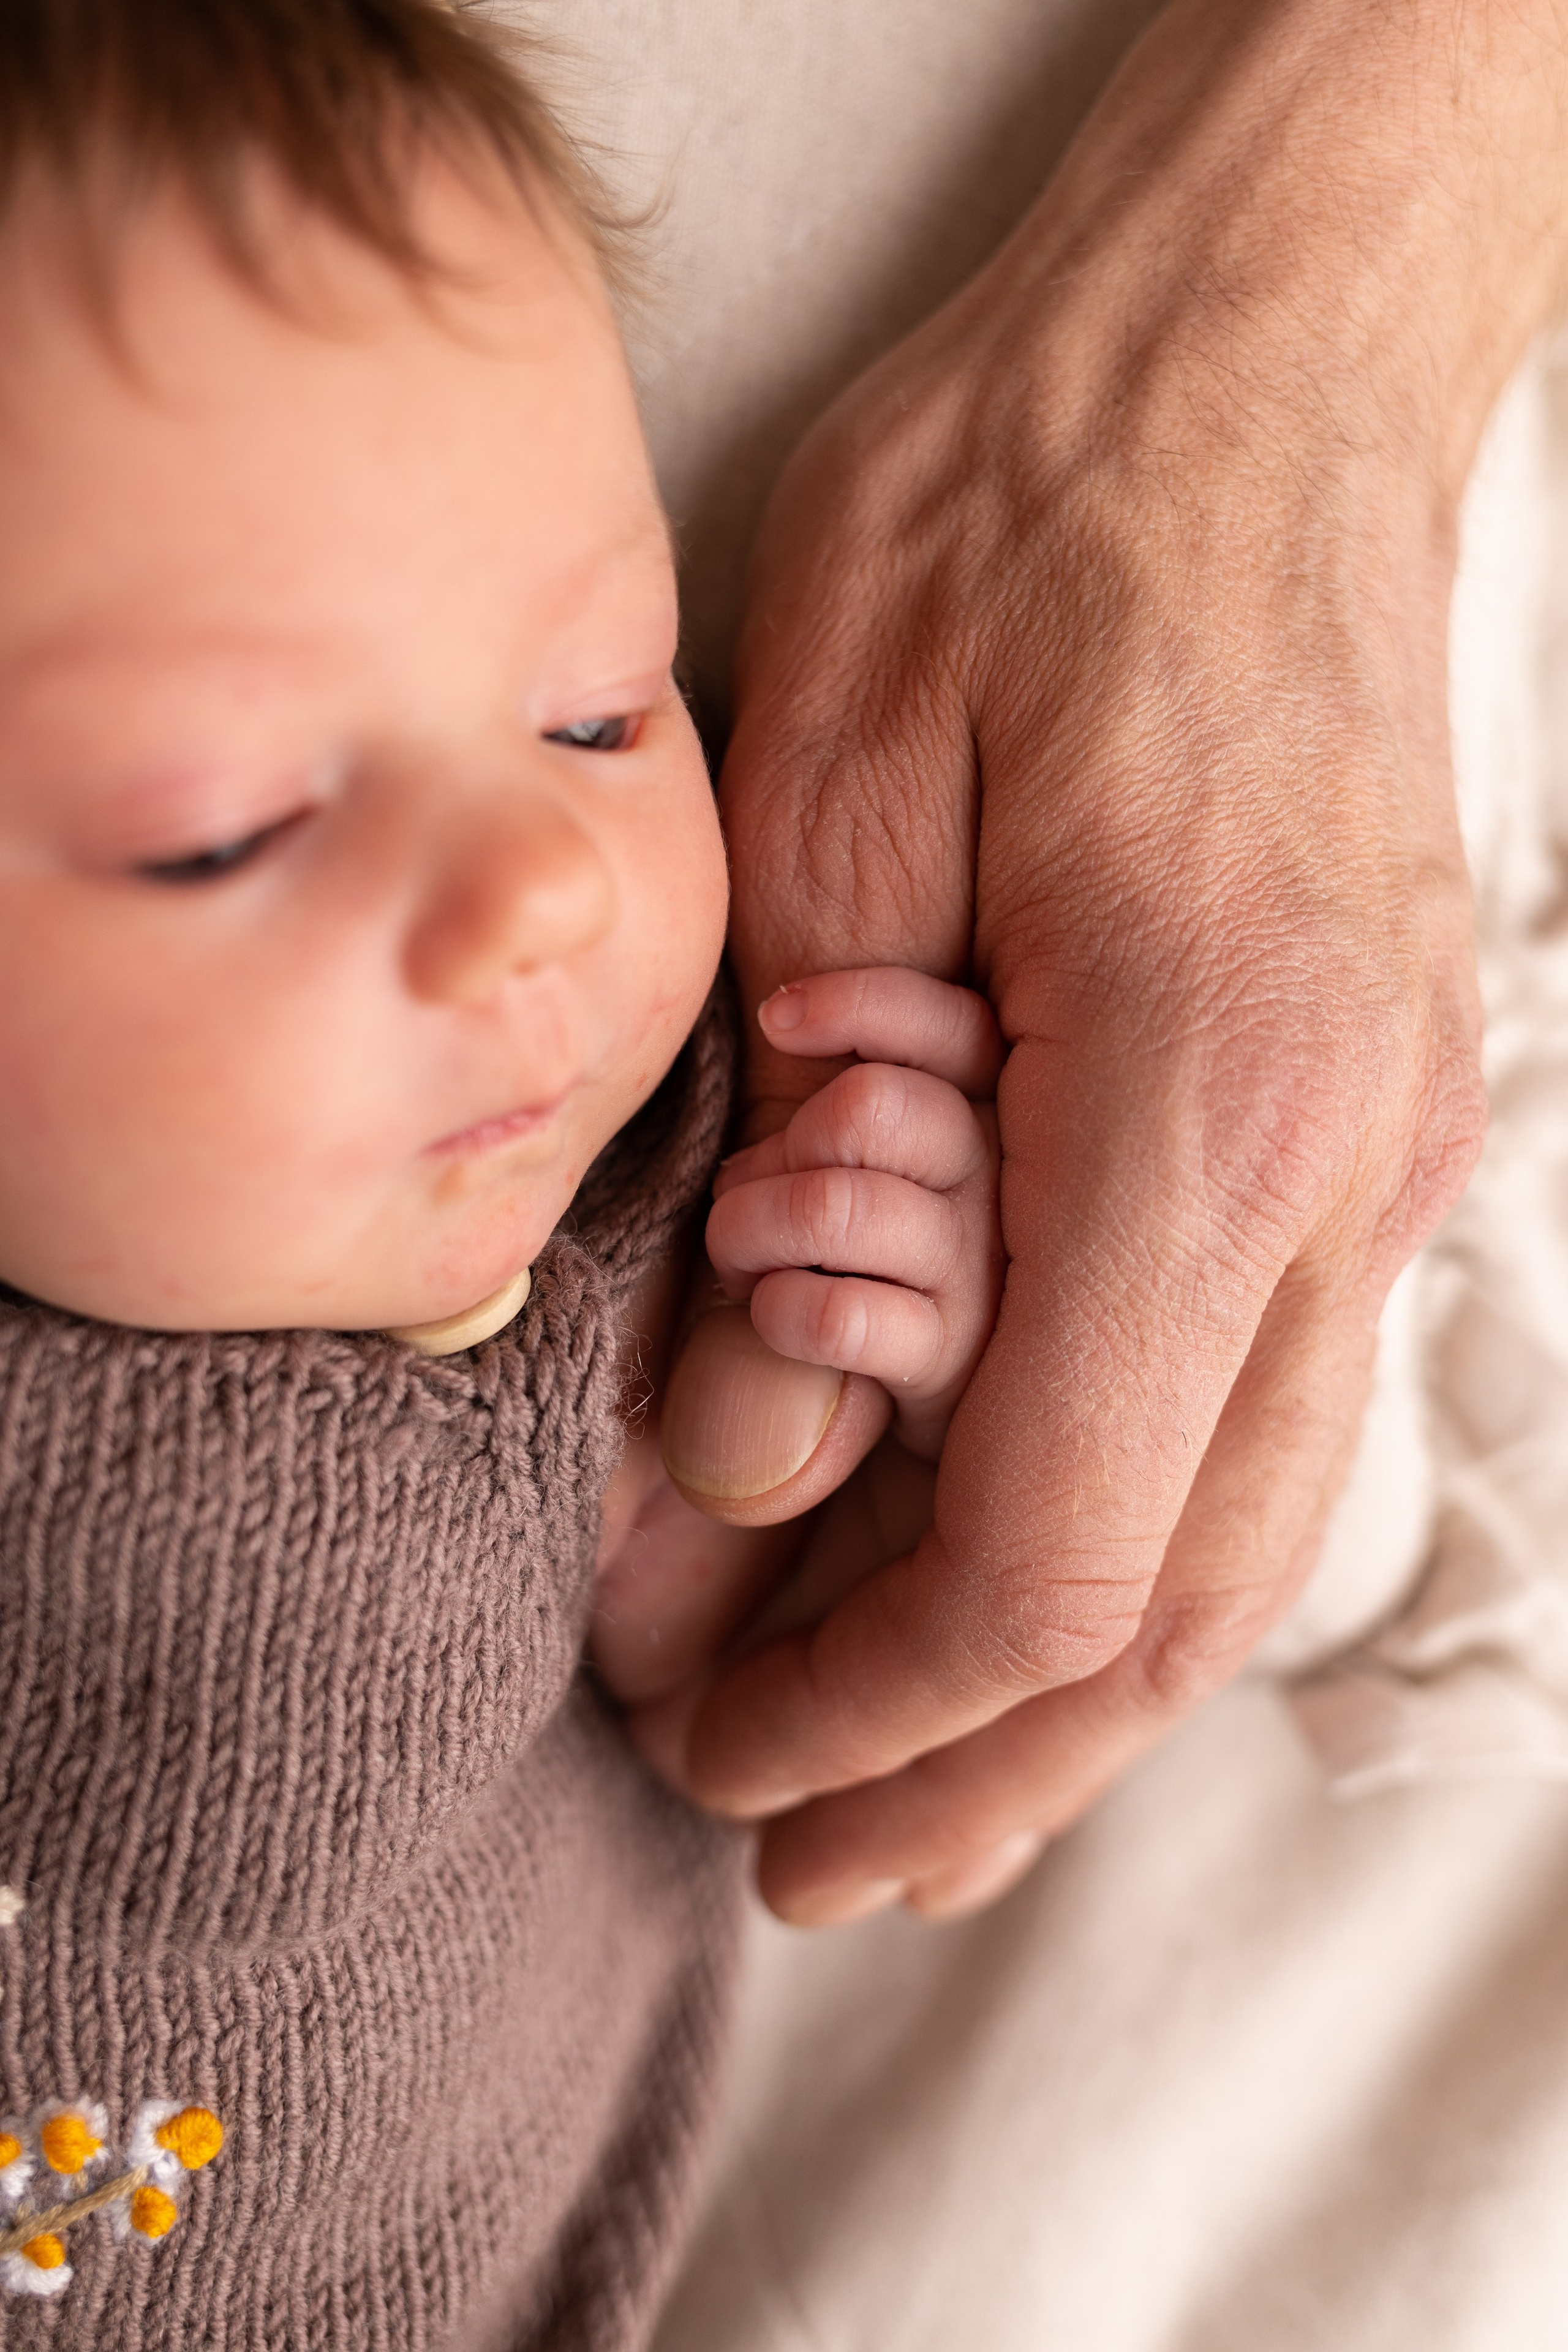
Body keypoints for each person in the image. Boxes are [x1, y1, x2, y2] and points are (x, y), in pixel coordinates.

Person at [0, 1, 1006, 2340]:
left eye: (599, 705)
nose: (548, 886)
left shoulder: (644, 1196)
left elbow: (725, 1637)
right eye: (217, 832)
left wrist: (882, 1318)